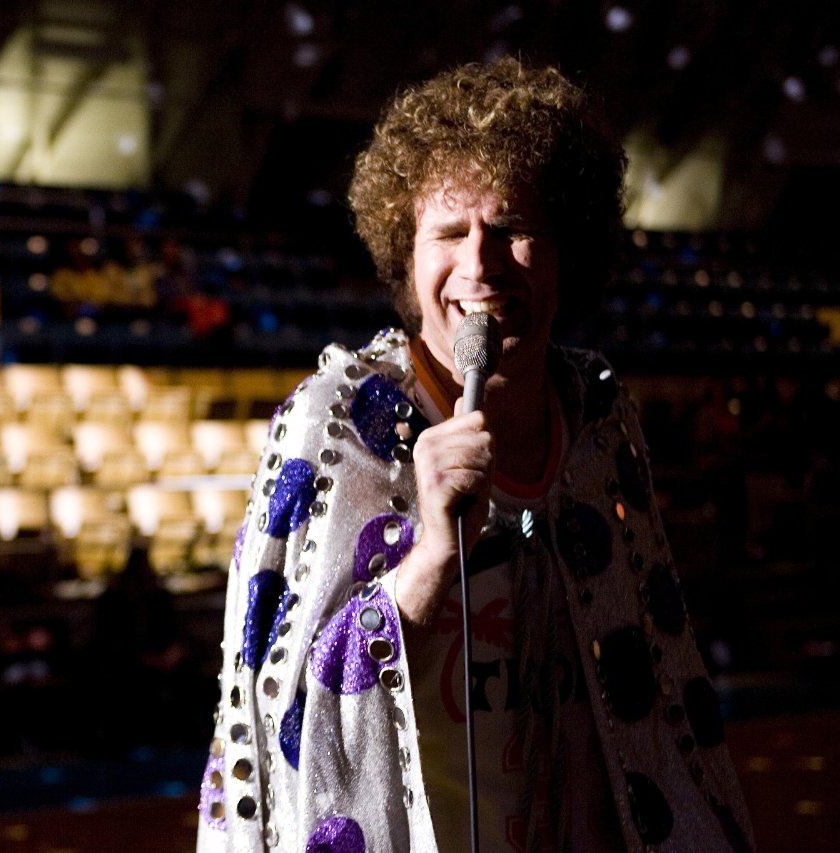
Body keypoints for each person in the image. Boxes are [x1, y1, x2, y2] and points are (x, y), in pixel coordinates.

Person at [196, 58, 754, 853]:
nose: (480, 264)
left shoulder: (599, 419)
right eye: (451, 233)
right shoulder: (339, 422)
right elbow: (280, 713)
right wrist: (428, 560)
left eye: (514, 228)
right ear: (406, 253)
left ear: (567, 248)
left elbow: (661, 700)